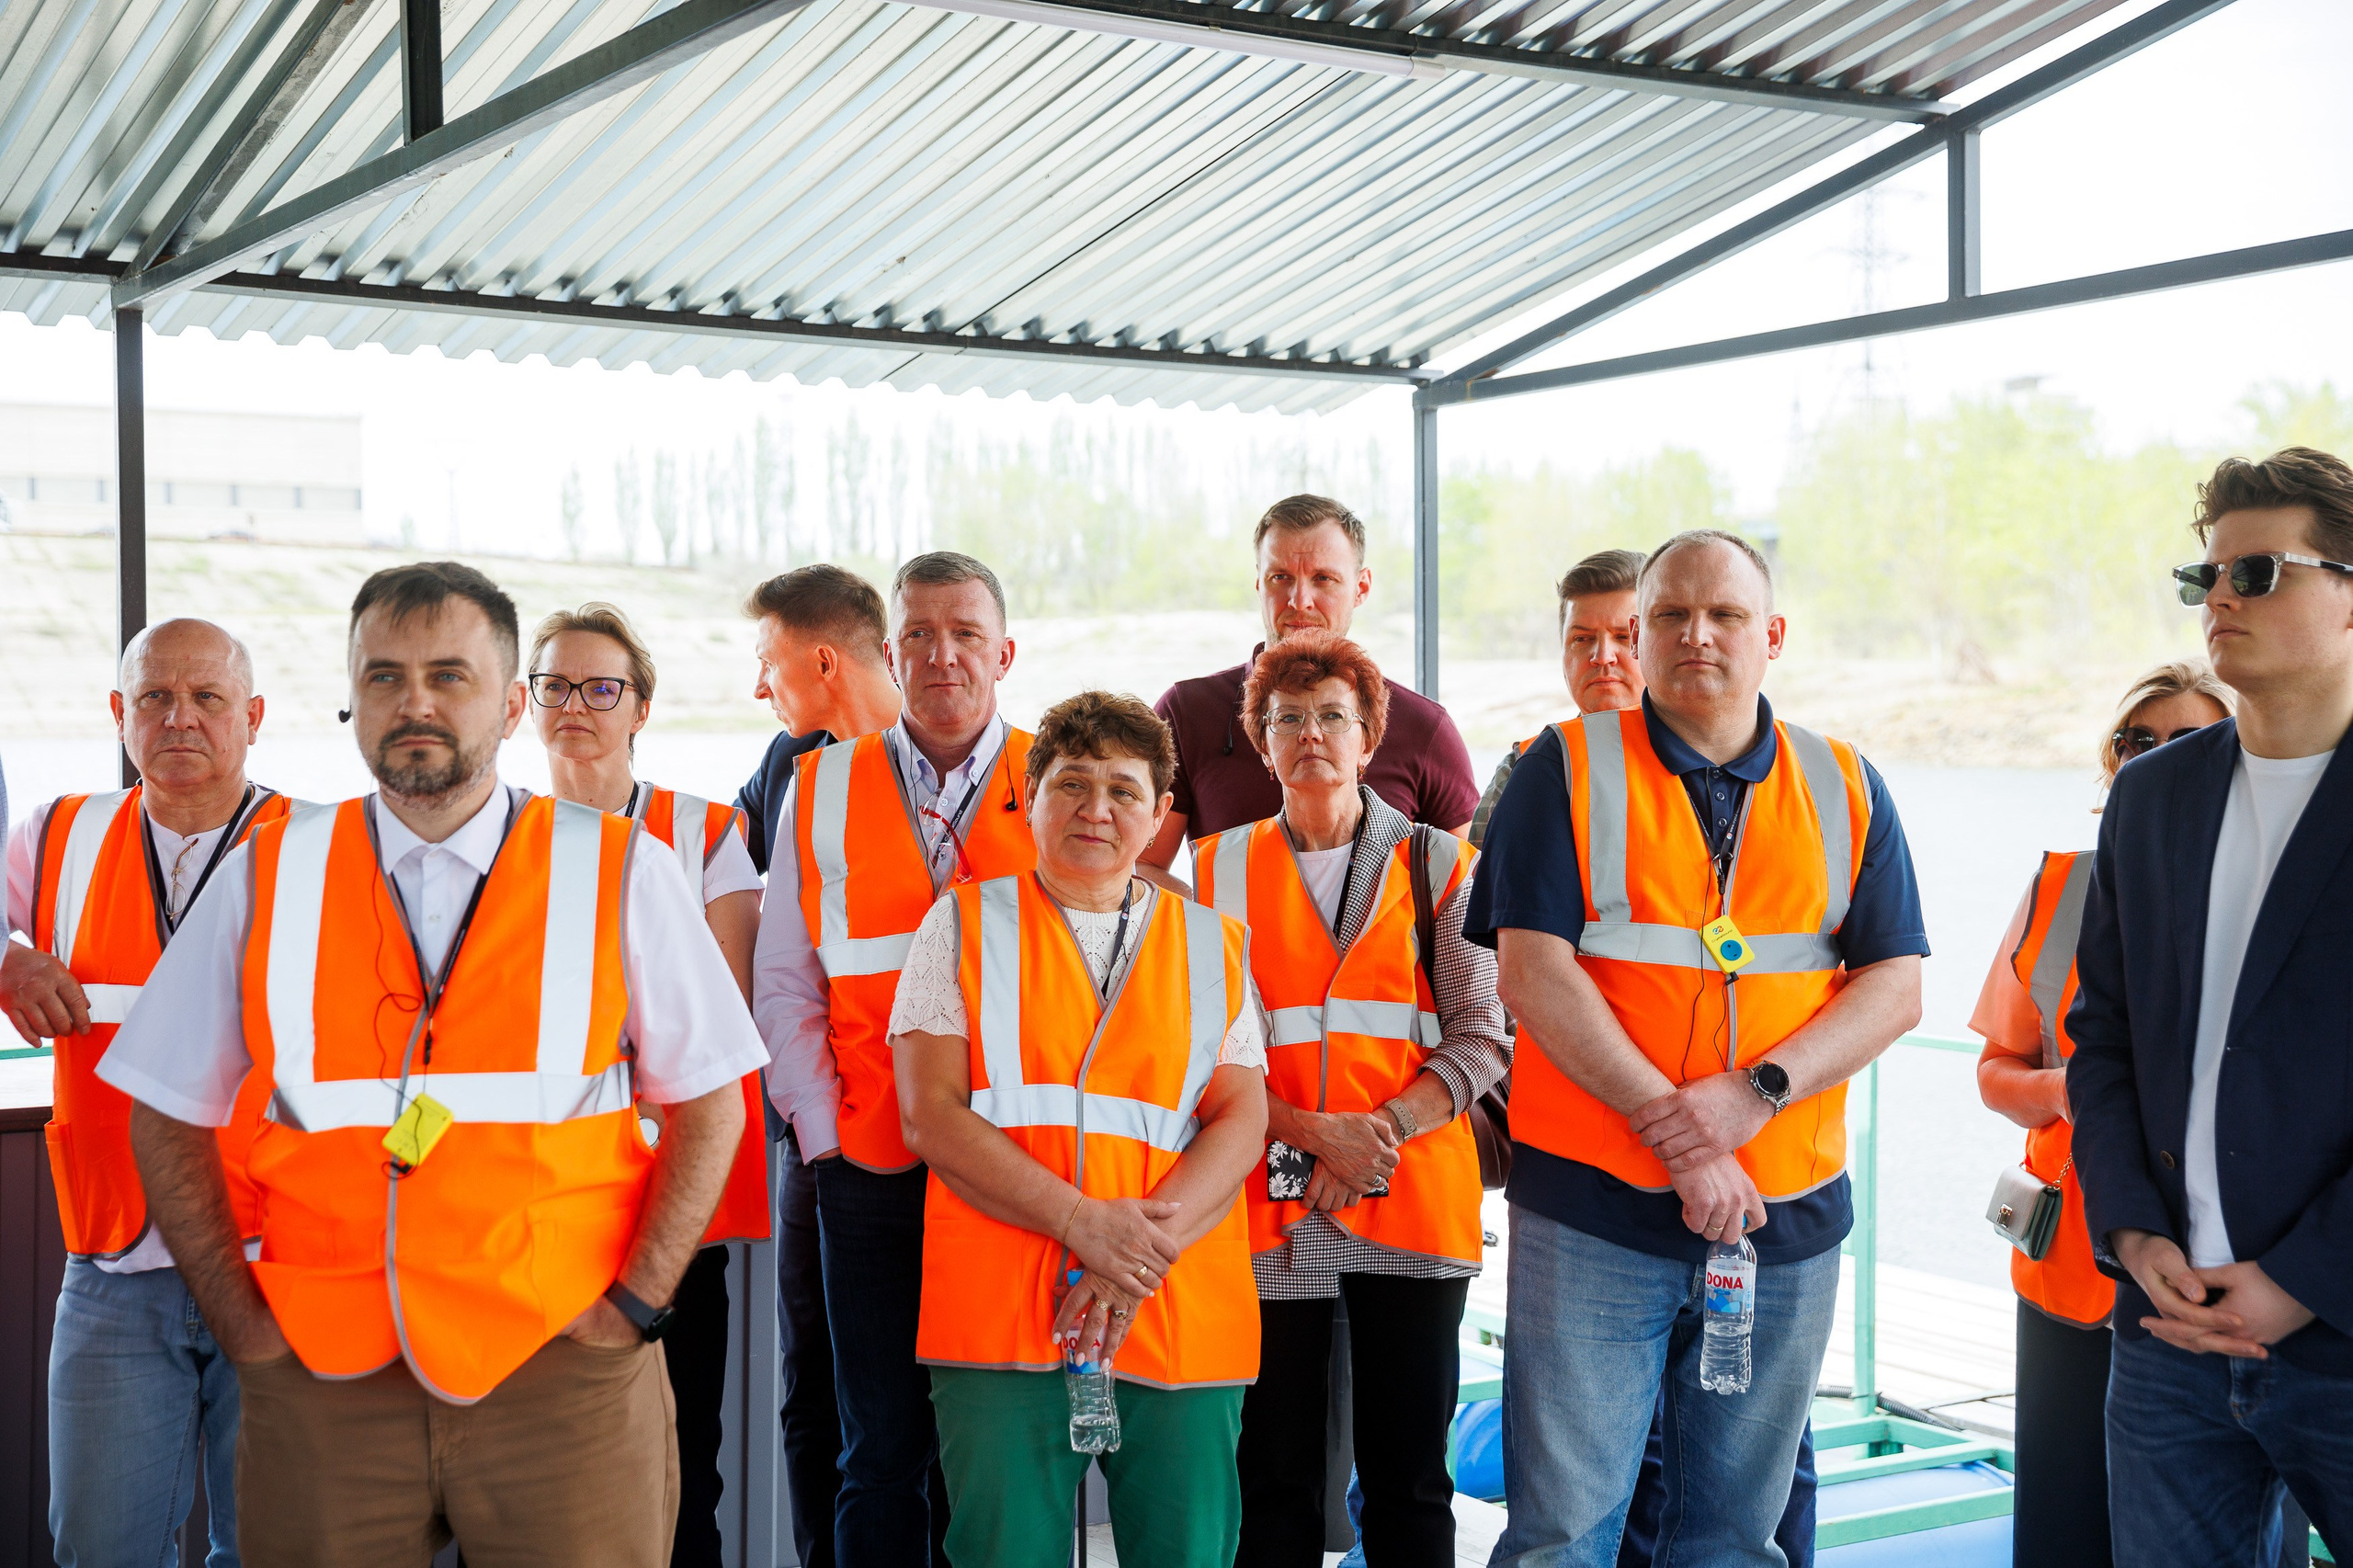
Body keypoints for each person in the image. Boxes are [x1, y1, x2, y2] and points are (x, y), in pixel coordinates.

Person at [102, 562, 765, 1568]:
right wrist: (243, 1327)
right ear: (350, 702)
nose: (414, 701)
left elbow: (713, 1096)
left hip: (561, 1372)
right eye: (383, 676)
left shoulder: (622, 867)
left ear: (507, 706)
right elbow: (161, 1104)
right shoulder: (268, 874)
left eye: (449, 675)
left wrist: (632, 1305)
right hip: (323, 1379)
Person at [1468, 528, 1927, 1565]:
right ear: (1639, 632)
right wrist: (1685, 1138)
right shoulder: (1561, 768)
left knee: (1731, 1538)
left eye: (1722, 615)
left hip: (1781, 1221)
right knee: (1561, 1536)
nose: (1695, 635)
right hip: (1592, 1217)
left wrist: (1756, 1091)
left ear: (1770, 635)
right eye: (1670, 614)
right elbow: (1533, 973)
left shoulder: (1845, 783)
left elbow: (1895, 988)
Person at [894, 689, 1268, 1568]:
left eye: (1123, 790)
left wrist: (1130, 1261)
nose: (1096, 809)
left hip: (1173, 1301)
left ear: (1159, 815)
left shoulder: (1214, 942)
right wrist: (1080, 1224)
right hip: (1001, 1305)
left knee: (1187, 1553)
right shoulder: (958, 924)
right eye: (1071, 783)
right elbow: (928, 1113)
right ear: (1029, 795)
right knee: (1003, 1552)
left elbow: (1240, 1117)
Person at [2070, 449, 2353, 1560]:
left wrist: (2297, 1282)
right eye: (2207, 577)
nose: (2220, 597)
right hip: (2165, 1340)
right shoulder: (2150, 798)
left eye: (2258, 570)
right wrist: (2135, 1231)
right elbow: (2103, 1038)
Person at [1190, 631, 1507, 1565]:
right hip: (1267, 1210)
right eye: (1288, 717)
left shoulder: (1442, 863)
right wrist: (1311, 1144)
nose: (1311, 734)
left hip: (1410, 1199)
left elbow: (1483, 1034)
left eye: (1333, 715)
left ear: (1369, 736)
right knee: (1273, 1477)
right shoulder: (1212, 872)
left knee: (1410, 1481)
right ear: (1261, 740)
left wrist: (1372, 1135)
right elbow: (1202, 1050)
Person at [753, 550, 1033, 1567]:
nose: (941, 653)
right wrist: (821, 1135)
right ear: (888, 648)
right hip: (865, 1166)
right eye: (918, 632)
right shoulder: (817, 786)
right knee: (876, 1448)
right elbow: (784, 980)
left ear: (1003, 652)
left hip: (1014, 1169)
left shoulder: (1060, 778)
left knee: (990, 1449)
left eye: (964, 633)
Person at [1, 619, 292, 1567]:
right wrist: (5, 959)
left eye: (207, 698)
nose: (181, 717)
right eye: (156, 697)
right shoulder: (52, 834)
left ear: (251, 717)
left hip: (278, 1260)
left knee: (277, 1546)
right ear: (120, 713)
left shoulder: (328, 845)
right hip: (112, 1264)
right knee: (98, 1544)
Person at [1972, 660, 2231, 1568]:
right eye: (2135, 740)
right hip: (2066, 1262)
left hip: (2209, 1274)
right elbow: (1997, 1069)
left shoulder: (2271, 891)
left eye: (2191, 739)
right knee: (2061, 1510)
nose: (2156, 758)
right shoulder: (2055, 890)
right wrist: (2083, 1092)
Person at [529, 601, 770, 1568]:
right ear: (525, 703)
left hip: (671, 1207)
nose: (576, 704)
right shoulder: (496, 840)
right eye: (556, 685)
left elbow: (716, 1023)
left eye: (601, 686)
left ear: (640, 707)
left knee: (677, 1471)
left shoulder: (706, 832)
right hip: (530, 1203)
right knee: (514, 1477)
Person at [732, 563, 904, 1568]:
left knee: (923, 1400)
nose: (763, 687)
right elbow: (777, 956)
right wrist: (818, 1127)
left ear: (824, 659)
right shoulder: (789, 769)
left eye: (769, 663)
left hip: (957, 1143)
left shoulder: (985, 772)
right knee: (816, 1390)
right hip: (825, 1137)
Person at [1145, 495, 1478, 889]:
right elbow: (1137, 868)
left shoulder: (1426, 728)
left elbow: (1466, 894)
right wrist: (1218, 922)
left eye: (1323, 579)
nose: (1299, 601)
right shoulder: (1186, 713)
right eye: (1280, 577)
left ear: (1361, 587)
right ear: (1258, 583)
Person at [1471, 549, 1646, 850]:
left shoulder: (1707, 762)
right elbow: (1481, 891)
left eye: (1622, 637)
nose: (1602, 656)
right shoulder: (1522, 770)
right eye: (1582, 639)